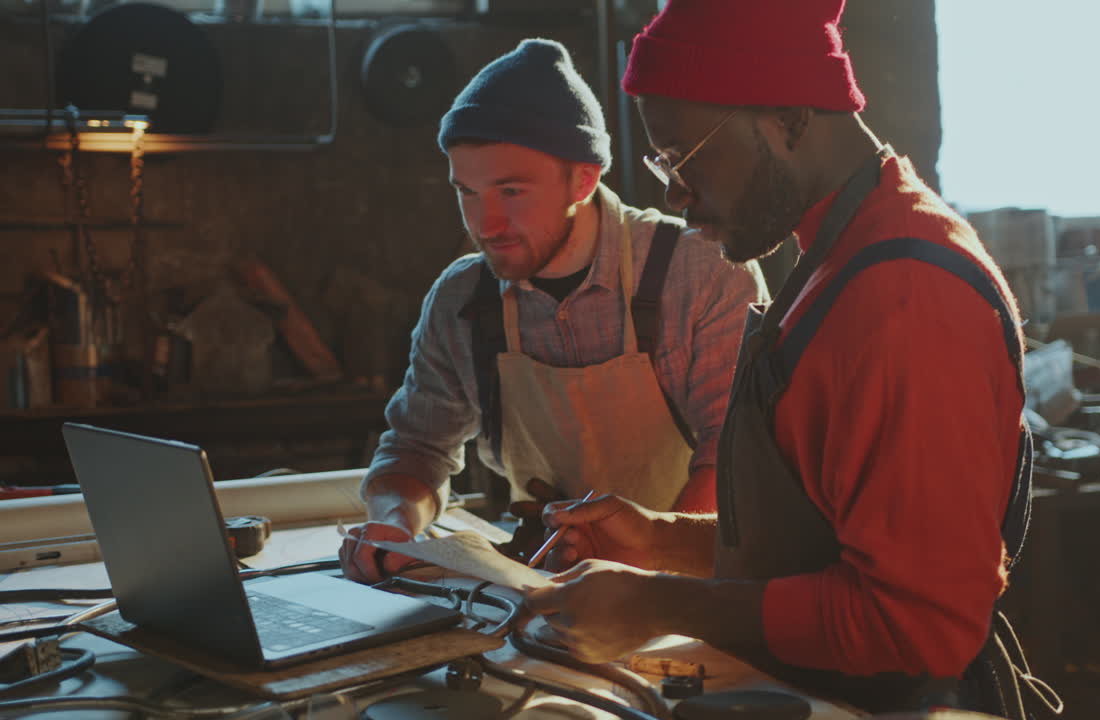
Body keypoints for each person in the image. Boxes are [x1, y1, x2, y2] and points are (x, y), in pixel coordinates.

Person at [525, 2, 1059, 716]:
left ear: (790, 119)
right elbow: (821, 541)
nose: (678, 199)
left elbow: (914, 626)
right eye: (661, 164)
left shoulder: (904, 295)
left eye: (684, 157)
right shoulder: (833, 256)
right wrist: (660, 541)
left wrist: (660, 604)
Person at [339, 38, 767, 582]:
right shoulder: (462, 301)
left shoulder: (702, 273)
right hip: (545, 579)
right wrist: (395, 527)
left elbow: (732, 459)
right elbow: (416, 449)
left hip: (691, 583)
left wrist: (652, 558)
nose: (485, 224)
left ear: (584, 179)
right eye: (467, 192)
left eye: (511, 191)